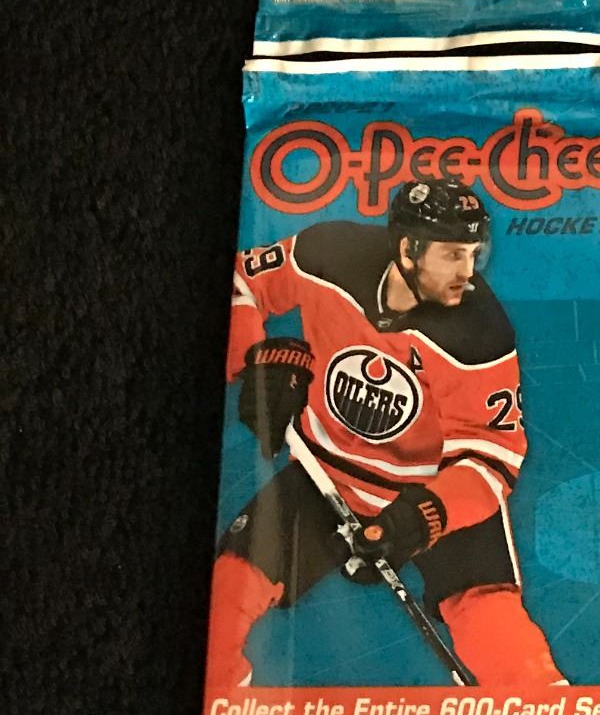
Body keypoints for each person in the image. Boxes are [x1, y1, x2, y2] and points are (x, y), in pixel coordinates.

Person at [205, 178, 564, 688]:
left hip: (432, 489)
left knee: (500, 637)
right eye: (452, 255)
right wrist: (256, 363)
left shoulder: (481, 333)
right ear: (409, 248)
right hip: (326, 471)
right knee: (224, 601)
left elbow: (494, 459)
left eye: (473, 254)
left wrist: (422, 519)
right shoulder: (326, 254)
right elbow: (244, 280)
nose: (467, 272)